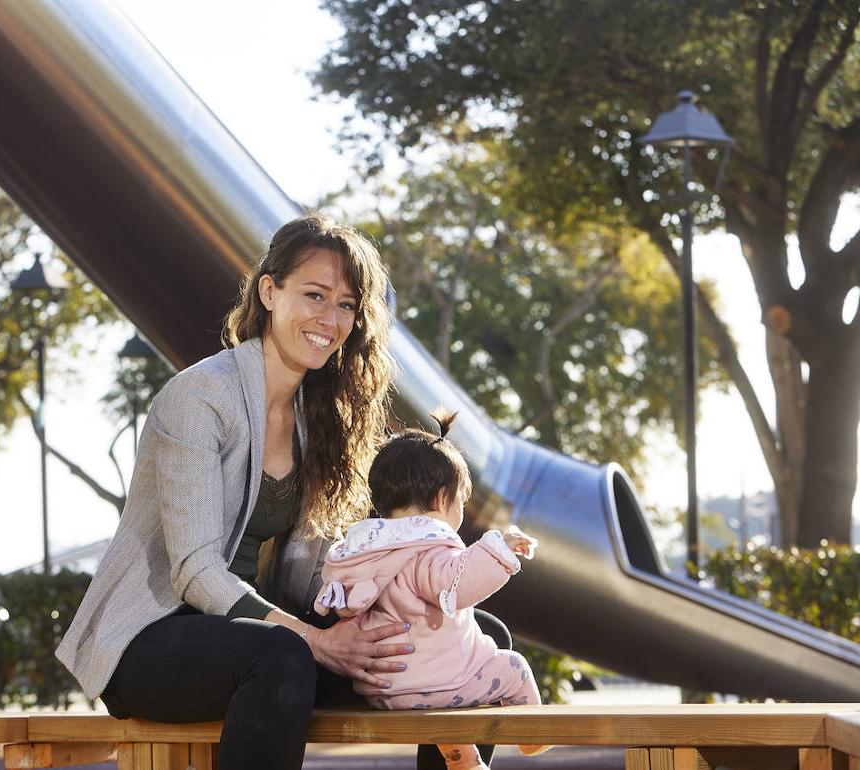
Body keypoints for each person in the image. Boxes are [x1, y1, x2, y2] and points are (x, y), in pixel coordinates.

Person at [56, 213, 510, 770]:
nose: (330, 319)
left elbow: (333, 568)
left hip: (269, 636)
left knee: (473, 636)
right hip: (154, 640)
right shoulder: (199, 398)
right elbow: (195, 570)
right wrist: (317, 642)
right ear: (269, 292)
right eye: (315, 295)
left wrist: (372, 618)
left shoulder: (320, 414)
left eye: (347, 305)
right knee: (282, 655)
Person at [313, 409, 549, 770]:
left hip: (385, 689)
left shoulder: (369, 549)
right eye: (461, 501)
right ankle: (534, 737)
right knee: (511, 667)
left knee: (448, 680)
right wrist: (500, 548)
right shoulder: (428, 547)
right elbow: (457, 583)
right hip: (435, 685)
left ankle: (461, 755)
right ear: (442, 499)